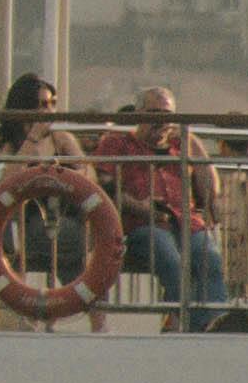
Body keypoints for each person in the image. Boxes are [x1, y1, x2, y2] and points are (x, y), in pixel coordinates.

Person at [94, 80, 228, 327]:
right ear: (139, 114)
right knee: (172, 261)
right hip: (143, 225)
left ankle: (211, 322)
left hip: (187, 222)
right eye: (154, 114)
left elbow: (211, 188)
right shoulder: (118, 143)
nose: (161, 121)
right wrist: (139, 206)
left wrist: (193, 144)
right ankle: (189, 324)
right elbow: (105, 188)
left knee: (210, 259)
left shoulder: (181, 144)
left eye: (167, 115)